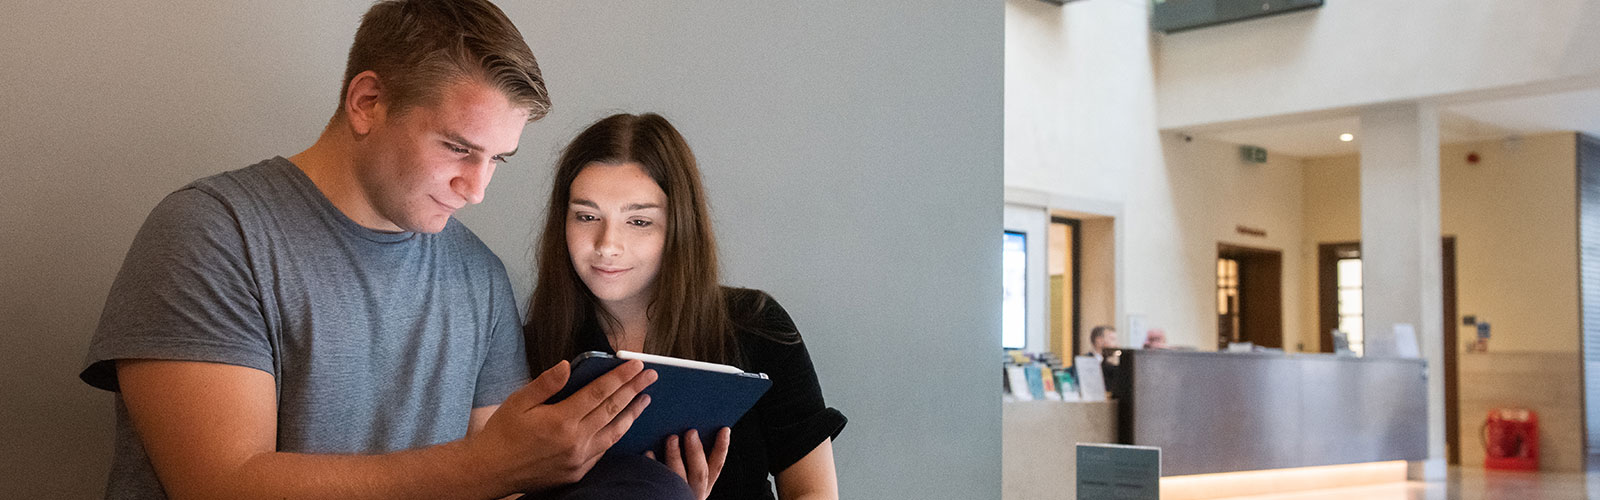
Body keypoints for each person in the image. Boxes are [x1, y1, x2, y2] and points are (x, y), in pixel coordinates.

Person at [78, 2, 692, 498]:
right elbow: (222, 484)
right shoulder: (212, 233)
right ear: (367, 102)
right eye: (458, 148)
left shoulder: (480, 277)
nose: (476, 189)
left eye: (497, 160)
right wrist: (486, 467)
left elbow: (501, 485)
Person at [523, 113, 846, 500]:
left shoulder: (757, 327)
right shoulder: (532, 348)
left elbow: (814, 492)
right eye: (587, 216)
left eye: (639, 221)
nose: (607, 244)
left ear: (679, 226)